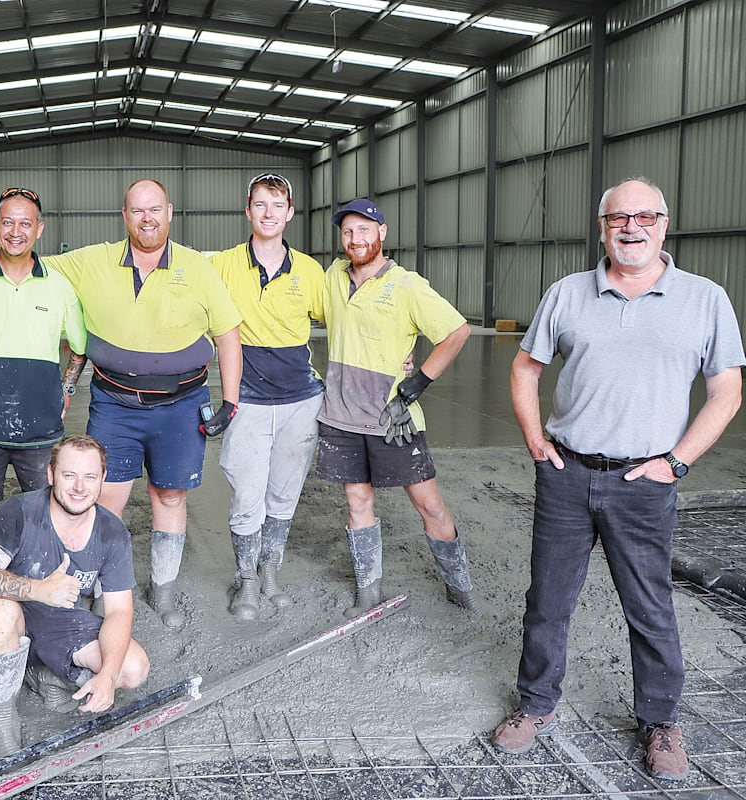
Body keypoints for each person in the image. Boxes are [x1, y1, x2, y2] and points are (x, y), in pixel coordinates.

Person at [492, 178, 744, 781]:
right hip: (567, 474)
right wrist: (534, 438)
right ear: (602, 227)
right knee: (548, 602)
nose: (632, 228)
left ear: (664, 224)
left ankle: (660, 721)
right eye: (618, 218)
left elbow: (727, 391)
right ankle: (536, 706)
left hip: (646, 482)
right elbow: (525, 369)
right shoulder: (568, 294)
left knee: (650, 605)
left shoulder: (705, 299)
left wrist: (677, 461)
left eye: (646, 217)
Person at [0, 179, 243, 629]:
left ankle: (162, 590)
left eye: (154, 210)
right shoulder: (93, 261)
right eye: (136, 210)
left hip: (182, 404)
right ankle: (90, 585)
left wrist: (230, 399)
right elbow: (28, 252)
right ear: (123, 216)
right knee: (104, 499)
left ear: (170, 212)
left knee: (170, 495)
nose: (146, 218)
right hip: (116, 404)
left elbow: (227, 333)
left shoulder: (199, 268)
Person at [318, 198, 477, 613]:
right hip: (342, 416)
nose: (355, 239)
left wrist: (416, 382)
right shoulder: (333, 277)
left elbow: (457, 331)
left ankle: (460, 587)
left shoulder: (406, 285)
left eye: (364, 230)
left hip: (393, 418)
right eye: (348, 232)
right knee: (357, 501)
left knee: (428, 503)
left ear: (382, 233)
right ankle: (368, 591)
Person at [0, 187, 87, 619]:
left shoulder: (59, 286)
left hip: (41, 428)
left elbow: (79, 349)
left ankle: (44, 587)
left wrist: (66, 389)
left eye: (26, 223)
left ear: (39, 230)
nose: (16, 231)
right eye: (8, 222)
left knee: (50, 510)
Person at [0, 434, 150, 759]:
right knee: (1, 612)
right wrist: (37, 589)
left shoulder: (112, 532)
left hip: (58, 622)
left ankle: (44, 675)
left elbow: (120, 611)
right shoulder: (21, 511)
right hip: (1, 618)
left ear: (103, 479)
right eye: (69, 475)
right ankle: (1, 722)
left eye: (90, 476)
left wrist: (106, 675)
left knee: (132, 668)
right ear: (51, 475)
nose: (79, 487)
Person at [209, 173, 325, 619]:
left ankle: (270, 572)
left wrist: (401, 359)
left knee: (283, 494)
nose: (269, 213)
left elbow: (345, 319)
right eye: (260, 204)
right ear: (248, 211)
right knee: (246, 496)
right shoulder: (222, 266)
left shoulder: (311, 272)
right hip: (249, 401)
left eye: (277, 206)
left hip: (300, 401)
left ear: (290, 212)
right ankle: (248, 580)